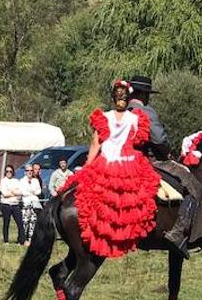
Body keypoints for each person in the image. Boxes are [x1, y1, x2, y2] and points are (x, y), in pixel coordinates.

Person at [60, 79, 160, 258]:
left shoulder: (104, 117)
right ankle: (130, 235)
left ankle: (102, 234)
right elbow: (139, 142)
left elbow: (95, 145)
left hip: (105, 161)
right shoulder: (137, 119)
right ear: (128, 99)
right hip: (129, 163)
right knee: (136, 201)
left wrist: (86, 168)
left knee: (96, 201)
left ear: (113, 98)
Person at [128, 75, 202, 259]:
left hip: (125, 160)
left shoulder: (122, 111)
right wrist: (167, 151)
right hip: (151, 161)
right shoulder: (146, 111)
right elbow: (160, 140)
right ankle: (177, 231)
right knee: (193, 186)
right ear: (144, 94)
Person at [0, 165, 25, 245]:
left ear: (13, 172)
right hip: (6, 205)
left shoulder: (17, 181)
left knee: (20, 223)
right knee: (6, 223)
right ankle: (6, 240)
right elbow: (5, 194)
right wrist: (14, 192)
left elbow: (21, 193)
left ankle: (21, 240)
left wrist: (12, 192)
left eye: (10, 171)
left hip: (15, 205)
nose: (9, 173)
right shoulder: (3, 181)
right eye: (7, 171)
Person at [19, 164, 42, 245]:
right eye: (28, 170)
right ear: (25, 172)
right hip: (26, 203)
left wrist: (31, 191)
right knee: (25, 222)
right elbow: (22, 192)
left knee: (33, 222)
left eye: (31, 170)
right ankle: (23, 239)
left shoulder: (35, 180)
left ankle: (31, 239)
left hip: (35, 204)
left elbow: (39, 191)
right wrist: (32, 191)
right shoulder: (22, 180)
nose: (30, 172)